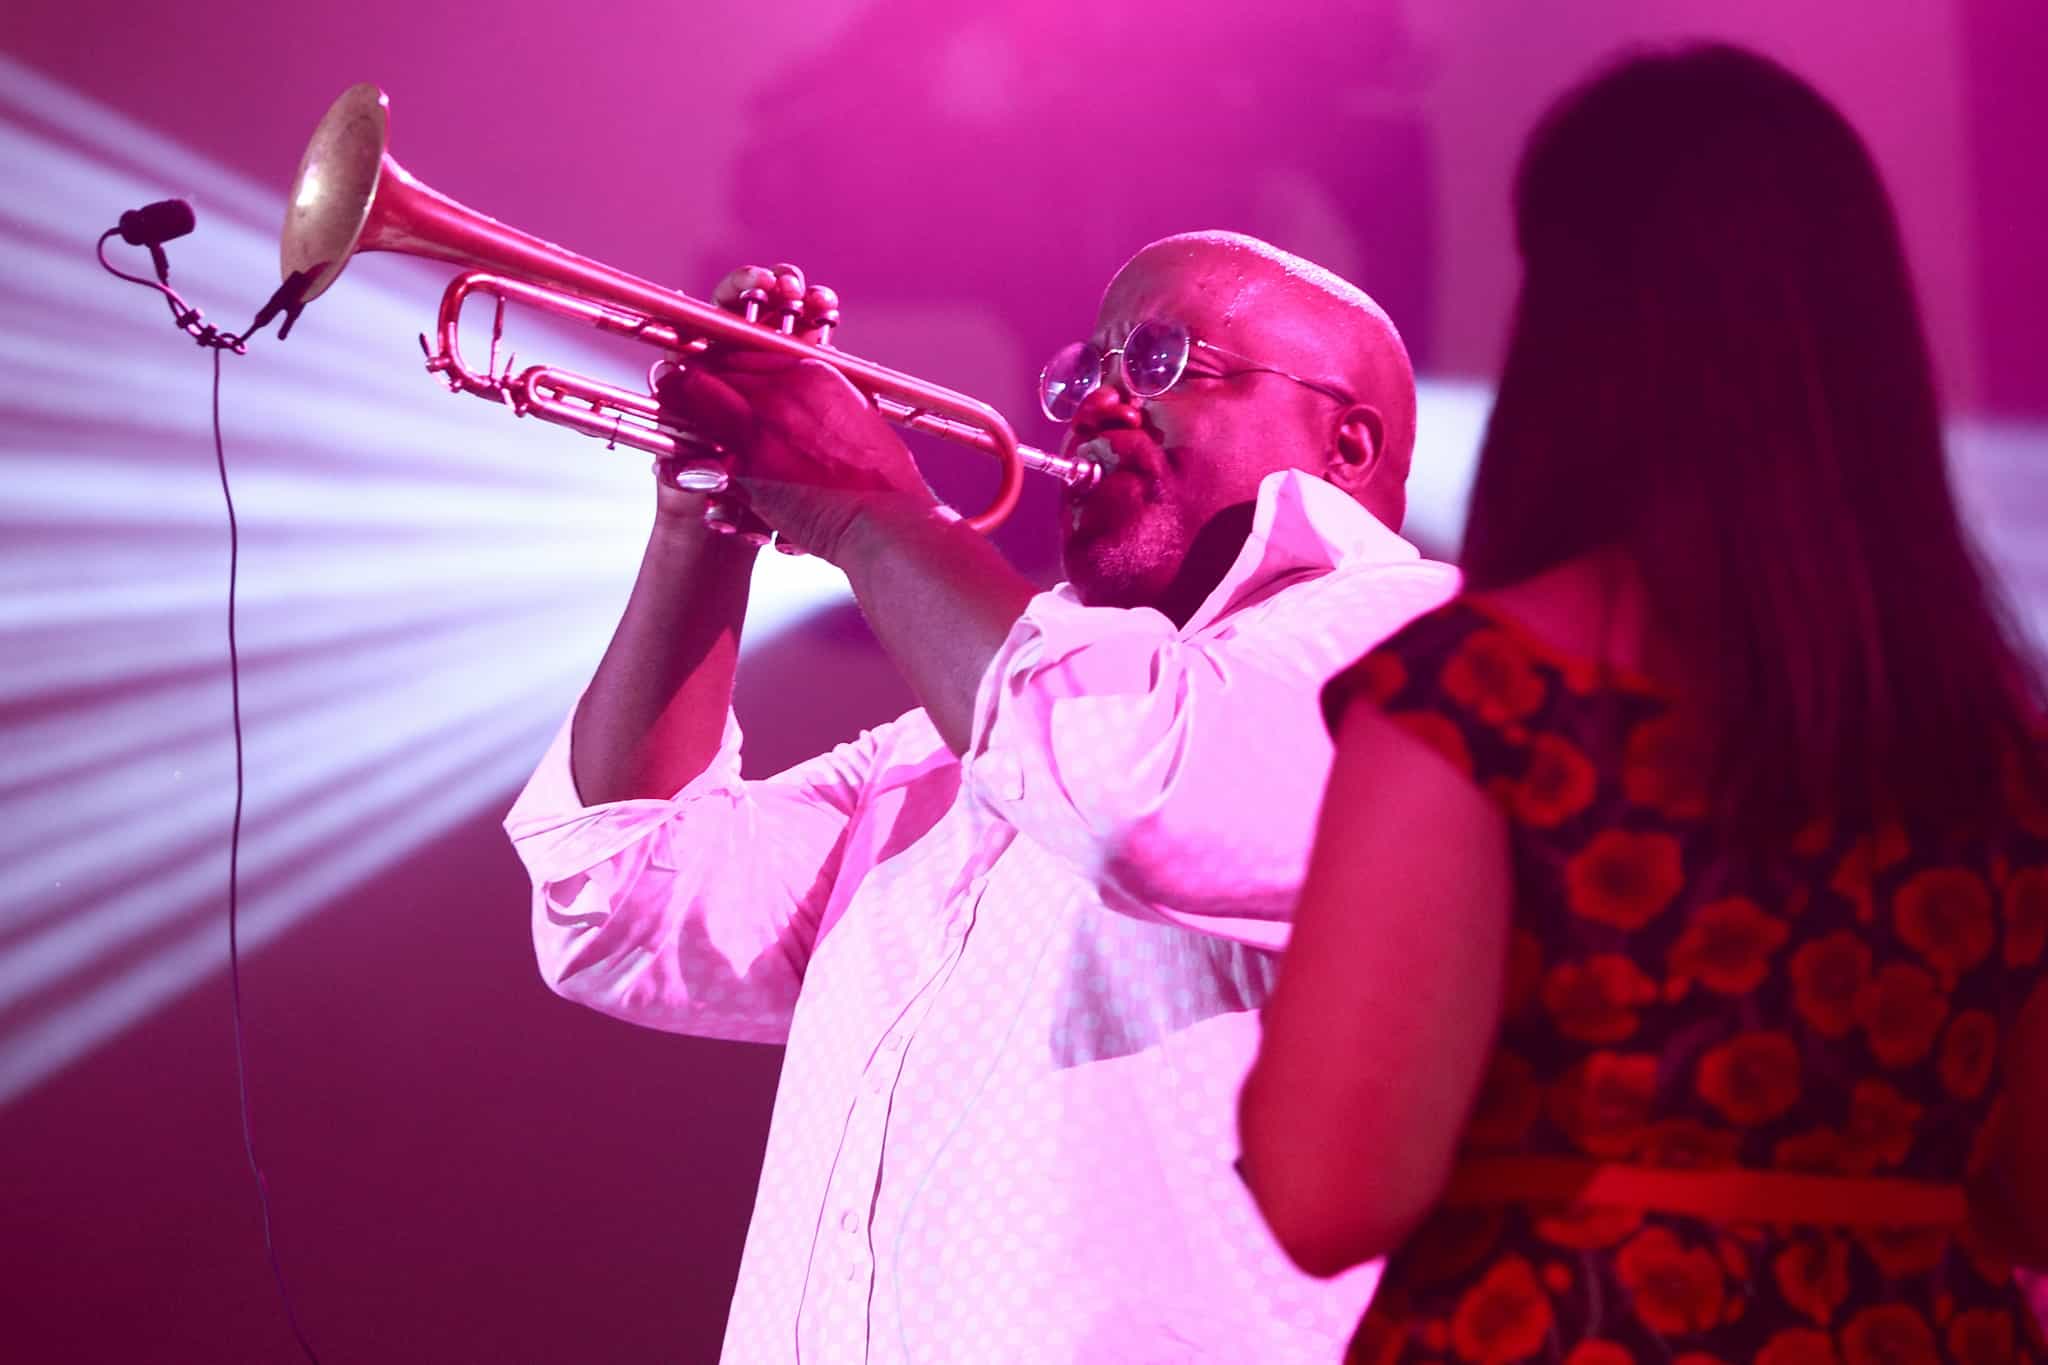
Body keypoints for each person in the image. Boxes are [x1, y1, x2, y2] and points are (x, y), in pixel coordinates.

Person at [505, 231, 1460, 1361]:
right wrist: (700, 523)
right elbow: (621, 902)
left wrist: (867, 510)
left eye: (1159, 362)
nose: (1094, 403)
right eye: (1086, 369)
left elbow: (1129, 797)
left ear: (1345, 443)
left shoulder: (1411, 650)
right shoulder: (964, 735)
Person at [1238, 43, 2048, 1362]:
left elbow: (1331, 1193)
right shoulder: (2002, 750)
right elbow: (2032, 1194)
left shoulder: (1480, 699)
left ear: (1576, 333)